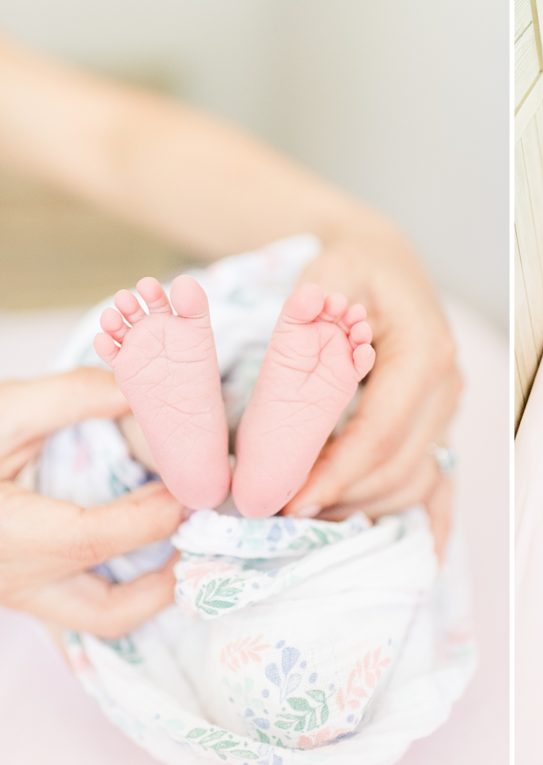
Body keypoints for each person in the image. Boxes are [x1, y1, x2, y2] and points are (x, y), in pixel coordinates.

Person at [0, 36, 460, 636]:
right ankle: (244, 449)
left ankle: (187, 446)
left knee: (99, 445)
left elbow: (110, 142)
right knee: (356, 515)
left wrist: (361, 236)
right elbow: (114, 141)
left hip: (115, 544)